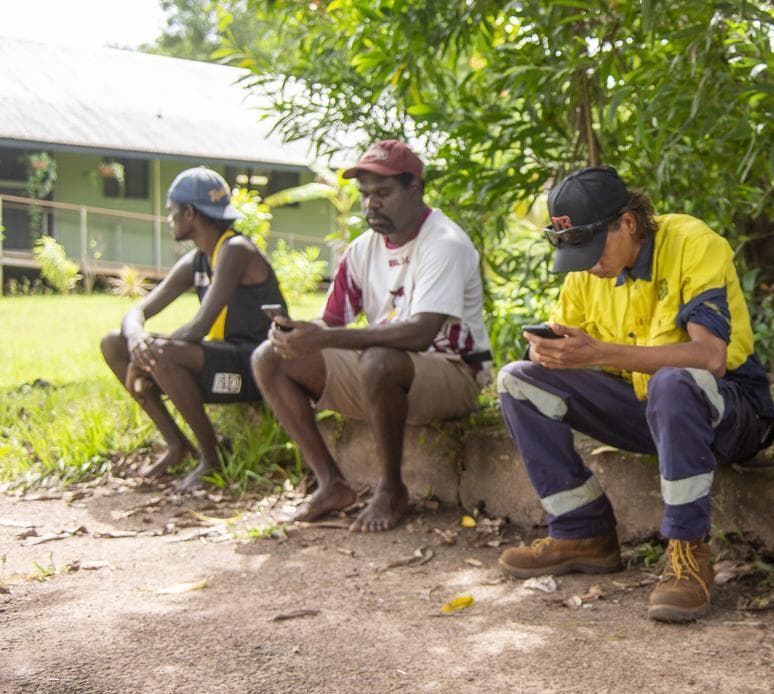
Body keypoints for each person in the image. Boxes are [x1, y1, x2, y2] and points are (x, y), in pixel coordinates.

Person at [495, 166, 774, 623]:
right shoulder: (590, 272)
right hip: (651, 414)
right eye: (576, 254)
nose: (588, 265)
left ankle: (688, 552)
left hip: (728, 413)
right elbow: (568, 343)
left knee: (673, 380)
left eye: (592, 250)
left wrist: (599, 352)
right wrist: (549, 349)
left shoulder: (692, 243)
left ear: (628, 222)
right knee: (517, 379)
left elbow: (709, 357)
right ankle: (582, 531)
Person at [252, 140, 490, 533]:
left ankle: (392, 489)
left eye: (383, 194)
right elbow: (332, 323)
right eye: (364, 195)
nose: (371, 205)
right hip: (384, 373)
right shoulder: (362, 250)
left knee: (378, 359)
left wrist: (325, 339)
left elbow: (420, 333)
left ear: (415, 187)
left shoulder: (444, 243)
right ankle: (331, 484)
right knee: (268, 357)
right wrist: (299, 336)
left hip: (454, 375)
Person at [101, 167, 287, 491]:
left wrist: (146, 357)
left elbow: (200, 325)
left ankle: (212, 458)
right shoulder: (198, 259)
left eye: (173, 211)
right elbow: (137, 311)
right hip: (220, 364)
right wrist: (136, 341)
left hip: (252, 370)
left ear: (190, 213)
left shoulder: (236, 250)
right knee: (113, 344)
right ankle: (177, 446)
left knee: (161, 354)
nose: (169, 219)